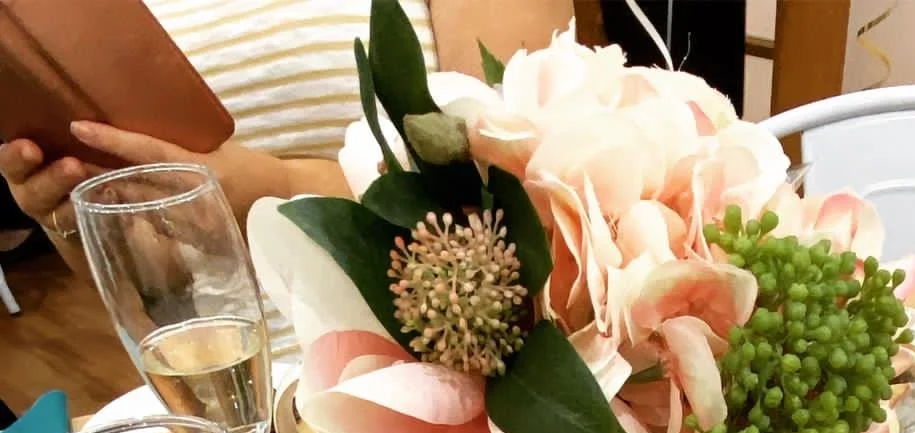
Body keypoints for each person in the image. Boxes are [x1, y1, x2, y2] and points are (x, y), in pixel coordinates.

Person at [0, 0, 570, 263]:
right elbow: (167, 284)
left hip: (450, 383)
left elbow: (540, 197)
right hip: (230, 407)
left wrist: (273, 190)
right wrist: (84, 220)